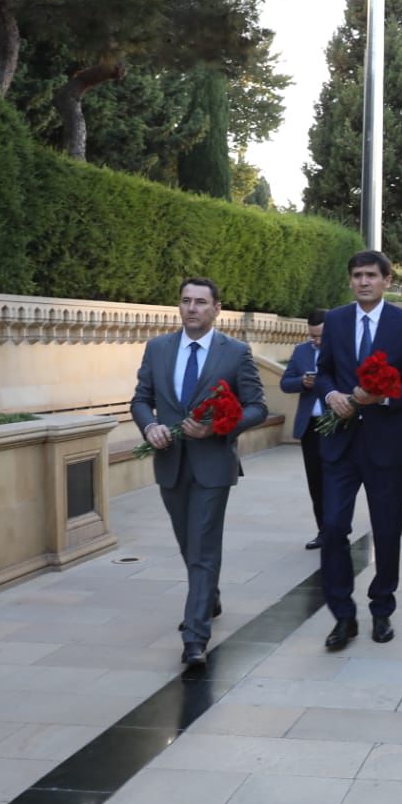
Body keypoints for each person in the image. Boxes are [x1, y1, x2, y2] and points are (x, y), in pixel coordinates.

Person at [131, 277, 268, 666]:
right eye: (186, 301)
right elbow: (141, 399)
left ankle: (195, 636)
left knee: (204, 543)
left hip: (213, 463)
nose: (192, 308)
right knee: (188, 543)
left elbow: (256, 406)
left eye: (200, 302)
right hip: (170, 462)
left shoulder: (235, 352)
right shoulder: (158, 349)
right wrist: (150, 426)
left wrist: (219, 427)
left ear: (216, 309)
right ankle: (210, 595)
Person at [313, 250, 402, 651]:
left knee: (386, 530)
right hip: (340, 443)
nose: (363, 282)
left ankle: (382, 607)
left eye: (370, 275)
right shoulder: (335, 321)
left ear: (386, 280)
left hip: (387, 444)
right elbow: (325, 369)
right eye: (357, 276)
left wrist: (382, 398)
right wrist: (331, 394)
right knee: (332, 527)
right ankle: (342, 616)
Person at [279, 310, 329, 549]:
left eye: (321, 336)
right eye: (313, 336)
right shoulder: (301, 352)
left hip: (337, 425)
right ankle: (323, 530)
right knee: (316, 481)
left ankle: (338, 527)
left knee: (337, 481)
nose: (317, 341)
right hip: (311, 426)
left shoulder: (342, 351)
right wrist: (302, 382)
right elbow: (285, 383)